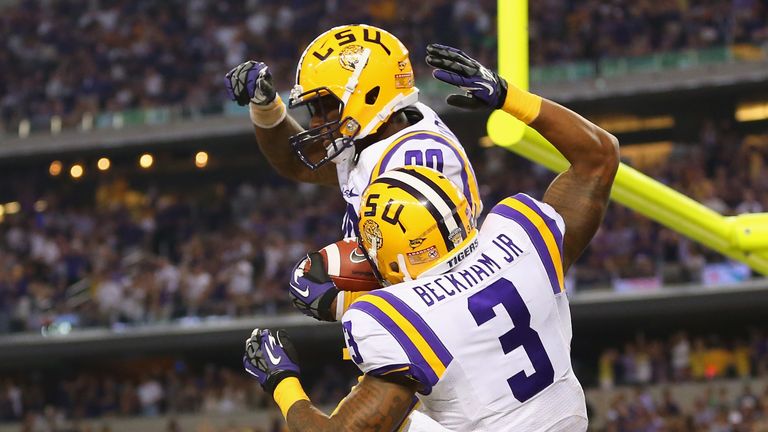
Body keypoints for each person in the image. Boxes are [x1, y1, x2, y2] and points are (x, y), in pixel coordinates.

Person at [241, 44, 620, 431]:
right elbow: (599, 157)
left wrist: (281, 379)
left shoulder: (402, 318)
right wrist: (508, 97)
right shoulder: (522, 237)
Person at [225, 24, 482, 321]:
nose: (315, 123)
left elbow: (439, 289)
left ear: (370, 95)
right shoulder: (381, 133)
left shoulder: (412, 159)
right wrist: (266, 107)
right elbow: (299, 164)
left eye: (325, 107)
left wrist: (342, 303)